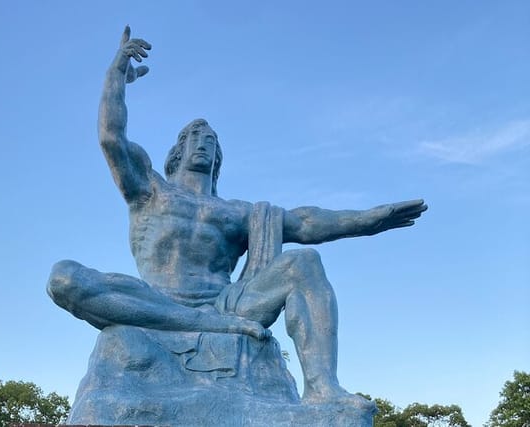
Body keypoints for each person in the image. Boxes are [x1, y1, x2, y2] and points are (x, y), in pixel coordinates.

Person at [47, 26, 427, 407]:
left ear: (218, 161)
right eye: (195, 138)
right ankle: (198, 325)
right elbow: (112, 137)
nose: (204, 144)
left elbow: (307, 223)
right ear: (177, 152)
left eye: (211, 142)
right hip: (155, 299)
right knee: (63, 278)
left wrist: (369, 219)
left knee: (304, 263)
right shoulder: (150, 188)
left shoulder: (237, 212)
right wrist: (116, 74)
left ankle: (323, 388)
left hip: (227, 304)